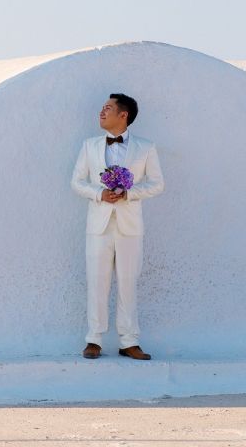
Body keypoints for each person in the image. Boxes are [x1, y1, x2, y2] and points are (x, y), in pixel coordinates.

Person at [71, 93, 164, 360]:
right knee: (96, 282)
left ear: (123, 115)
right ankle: (94, 340)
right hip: (98, 225)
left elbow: (157, 184)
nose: (102, 112)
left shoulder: (146, 147)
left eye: (107, 108)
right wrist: (99, 194)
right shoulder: (89, 146)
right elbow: (76, 182)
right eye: (102, 108)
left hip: (129, 226)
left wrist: (129, 193)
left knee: (128, 283)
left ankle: (129, 341)